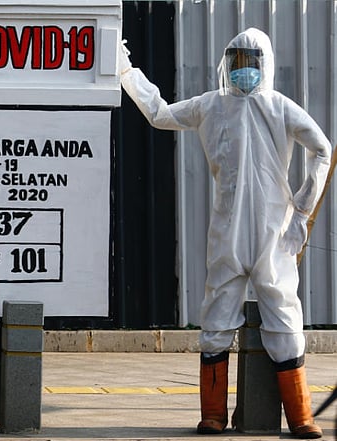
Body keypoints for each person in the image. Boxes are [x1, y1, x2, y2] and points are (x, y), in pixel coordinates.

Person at [119, 28, 330, 439]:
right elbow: (160, 114)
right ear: (227, 63)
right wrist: (126, 71)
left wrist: (301, 212)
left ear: (264, 65)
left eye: (252, 62)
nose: (244, 69)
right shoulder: (210, 105)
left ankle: (301, 416)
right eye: (238, 61)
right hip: (230, 232)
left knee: (285, 318)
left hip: (274, 233)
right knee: (216, 319)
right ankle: (213, 414)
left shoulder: (280, 107)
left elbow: (322, 148)